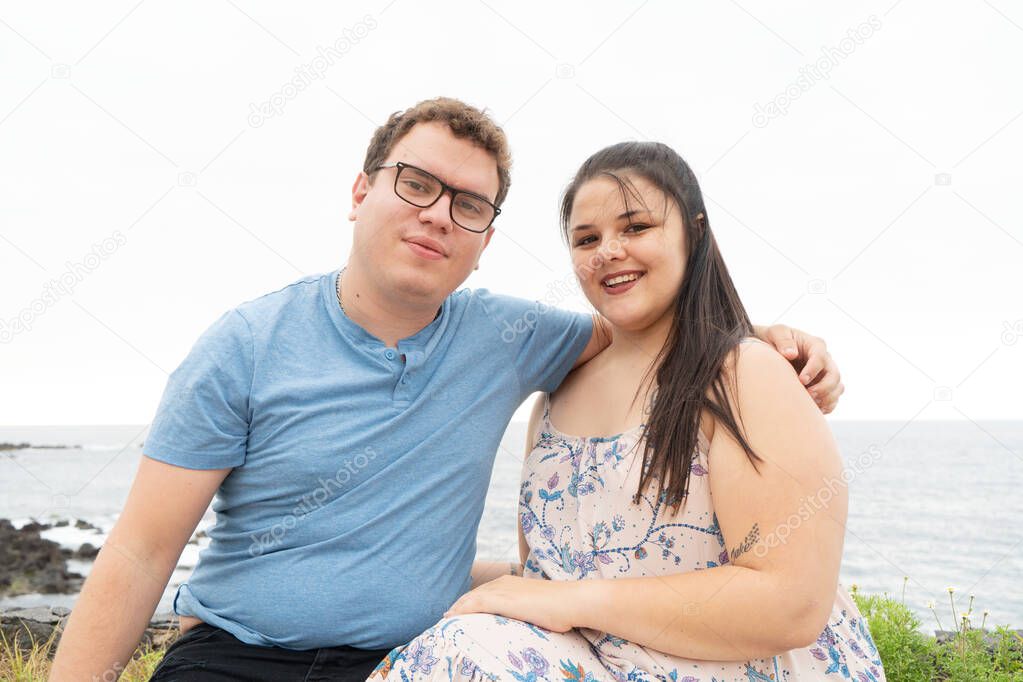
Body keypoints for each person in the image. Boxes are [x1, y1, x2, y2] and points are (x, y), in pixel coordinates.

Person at [49, 99, 843, 682]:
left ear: (485, 240)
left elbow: (647, 323)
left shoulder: (510, 340)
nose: (437, 216)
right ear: (361, 193)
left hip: (400, 660)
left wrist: (766, 341)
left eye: (467, 205)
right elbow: (141, 549)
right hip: (237, 660)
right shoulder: (243, 347)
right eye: (416, 184)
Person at [370, 141, 881, 681]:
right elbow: (550, 579)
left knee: (463, 651)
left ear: (695, 231)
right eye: (586, 239)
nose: (607, 251)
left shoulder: (745, 374)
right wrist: (410, 569)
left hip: (731, 665)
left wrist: (571, 603)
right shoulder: (558, 393)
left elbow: (791, 602)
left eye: (635, 227)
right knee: (459, 643)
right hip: (593, 659)